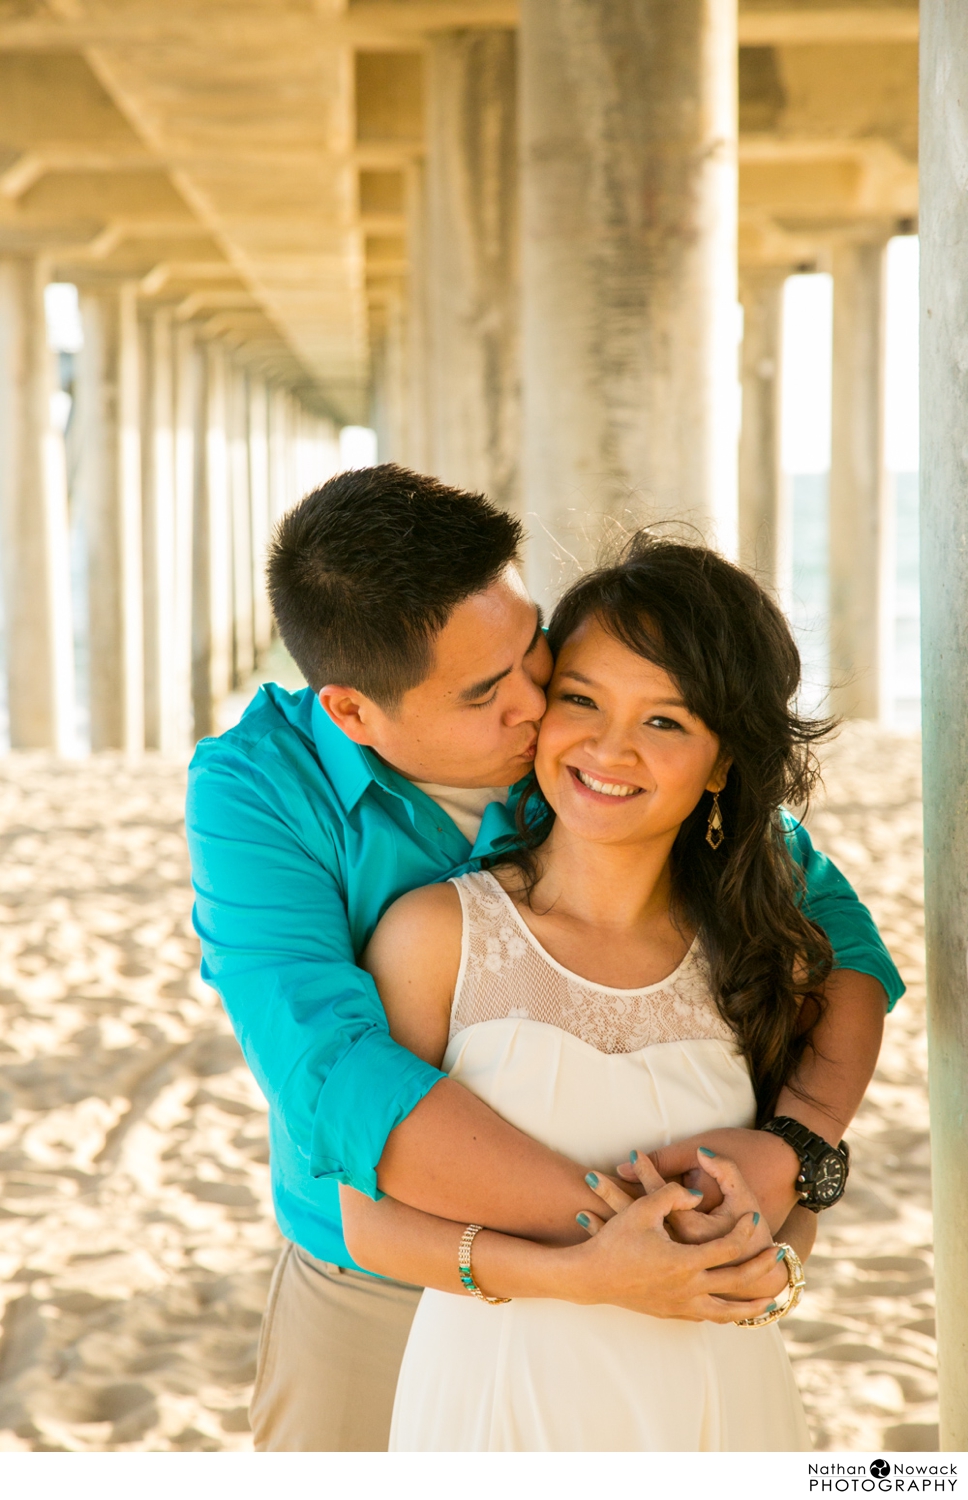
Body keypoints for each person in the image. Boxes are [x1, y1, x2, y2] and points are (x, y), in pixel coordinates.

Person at [185, 466, 901, 1451]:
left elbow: (840, 951)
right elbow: (334, 1076)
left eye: (533, 651)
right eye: (487, 692)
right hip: (380, 1269)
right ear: (354, 713)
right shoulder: (260, 794)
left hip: (663, 1301)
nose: (534, 703)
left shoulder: (584, 747)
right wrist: (634, 1240)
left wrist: (798, 1147)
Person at [341, 533, 851, 1450]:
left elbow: (791, 1202)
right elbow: (370, 1226)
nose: (611, 747)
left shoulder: (768, 954)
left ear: (723, 762)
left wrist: (774, 1268)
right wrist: (586, 1276)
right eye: (582, 699)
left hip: (719, 1405)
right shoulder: (433, 936)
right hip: (497, 1408)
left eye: (666, 721)